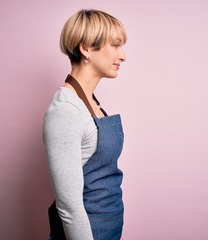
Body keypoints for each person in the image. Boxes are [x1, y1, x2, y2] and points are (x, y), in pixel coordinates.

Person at [43, 9, 127, 240]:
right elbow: (69, 206)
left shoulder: (89, 102)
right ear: (87, 48)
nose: (123, 56)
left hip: (108, 225)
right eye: (115, 45)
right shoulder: (66, 110)